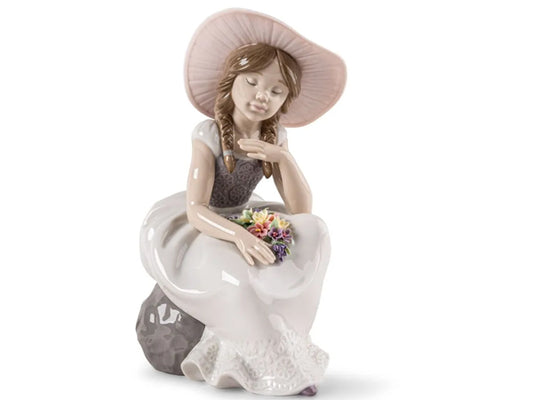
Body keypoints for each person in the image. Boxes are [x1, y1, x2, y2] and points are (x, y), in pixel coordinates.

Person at [139, 9, 346, 396]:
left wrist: (283, 158)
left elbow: (302, 210)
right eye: (252, 82)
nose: (262, 96)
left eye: (276, 91)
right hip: (205, 223)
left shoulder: (275, 137)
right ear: (231, 81)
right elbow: (197, 209)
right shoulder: (209, 133)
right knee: (234, 271)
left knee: (315, 231)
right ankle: (267, 360)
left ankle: (292, 338)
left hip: (247, 216)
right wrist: (239, 236)